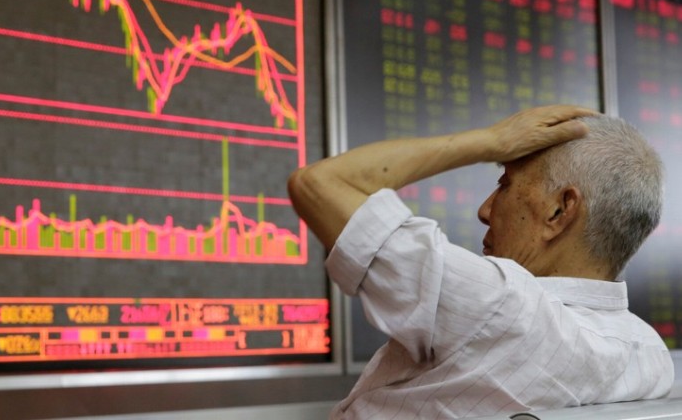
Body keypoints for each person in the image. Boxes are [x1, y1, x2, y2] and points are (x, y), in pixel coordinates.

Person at [288, 105, 674, 419]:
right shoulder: (651, 357)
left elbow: (318, 184)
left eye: (504, 185)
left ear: (560, 211)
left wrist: (491, 141)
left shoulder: (499, 306)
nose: (485, 210)